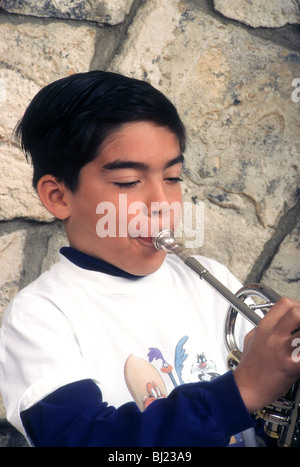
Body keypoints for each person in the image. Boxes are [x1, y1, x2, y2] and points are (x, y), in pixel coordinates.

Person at [0, 71, 299, 448]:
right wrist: (240, 392)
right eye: (127, 182)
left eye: (172, 178)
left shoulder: (211, 279)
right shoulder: (38, 317)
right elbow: (83, 438)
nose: (162, 205)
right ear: (59, 196)